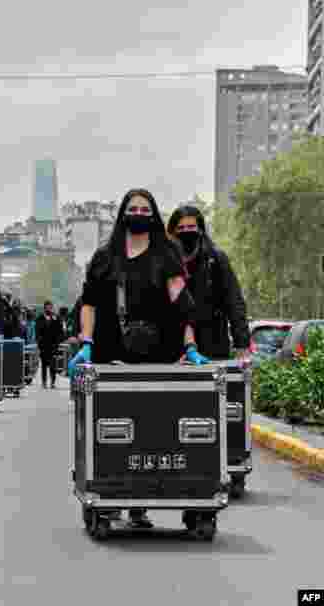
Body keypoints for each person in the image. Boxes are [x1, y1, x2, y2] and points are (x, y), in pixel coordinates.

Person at [68, 188, 210, 529]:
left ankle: (141, 503)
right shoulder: (105, 257)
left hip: (160, 355)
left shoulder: (167, 254)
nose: (138, 213)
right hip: (111, 357)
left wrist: (190, 347)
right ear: (122, 215)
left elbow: (183, 305)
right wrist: (86, 343)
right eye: (132, 208)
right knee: (114, 428)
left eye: (144, 208)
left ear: (154, 214)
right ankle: (113, 494)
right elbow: (88, 303)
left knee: (154, 427)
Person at [166, 205, 250, 360]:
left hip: (212, 345)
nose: (186, 231)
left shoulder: (215, 259)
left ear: (200, 230)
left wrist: (242, 345)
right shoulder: (165, 262)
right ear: (172, 232)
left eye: (191, 226)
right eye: (181, 227)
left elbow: (234, 302)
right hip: (174, 348)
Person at [35, 300, 64, 388]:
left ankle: (53, 381)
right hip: (43, 344)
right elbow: (37, 330)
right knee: (44, 364)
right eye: (47, 307)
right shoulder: (40, 317)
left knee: (53, 364)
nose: (49, 308)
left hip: (53, 345)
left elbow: (60, 330)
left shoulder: (56, 317)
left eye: (50, 307)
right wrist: (39, 341)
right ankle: (44, 382)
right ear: (44, 308)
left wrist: (58, 341)